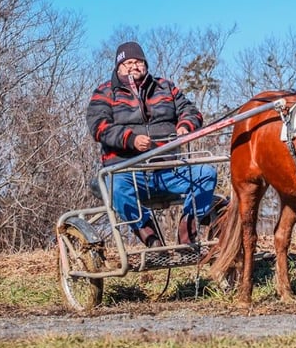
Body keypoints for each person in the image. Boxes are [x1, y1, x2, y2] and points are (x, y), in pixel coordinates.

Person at [86, 40, 217, 247]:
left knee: (206, 173)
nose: (134, 66)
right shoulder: (104, 92)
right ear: (118, 67)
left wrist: (184, 126)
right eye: (128, 63)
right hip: (126, 170)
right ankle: (150, 237)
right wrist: (131, 139)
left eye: (138, 62)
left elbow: (192, 112)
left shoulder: (165, 87)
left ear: (146, 65)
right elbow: (99, 126)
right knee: (115, 187)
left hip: (167, 168)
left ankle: (187, 232)